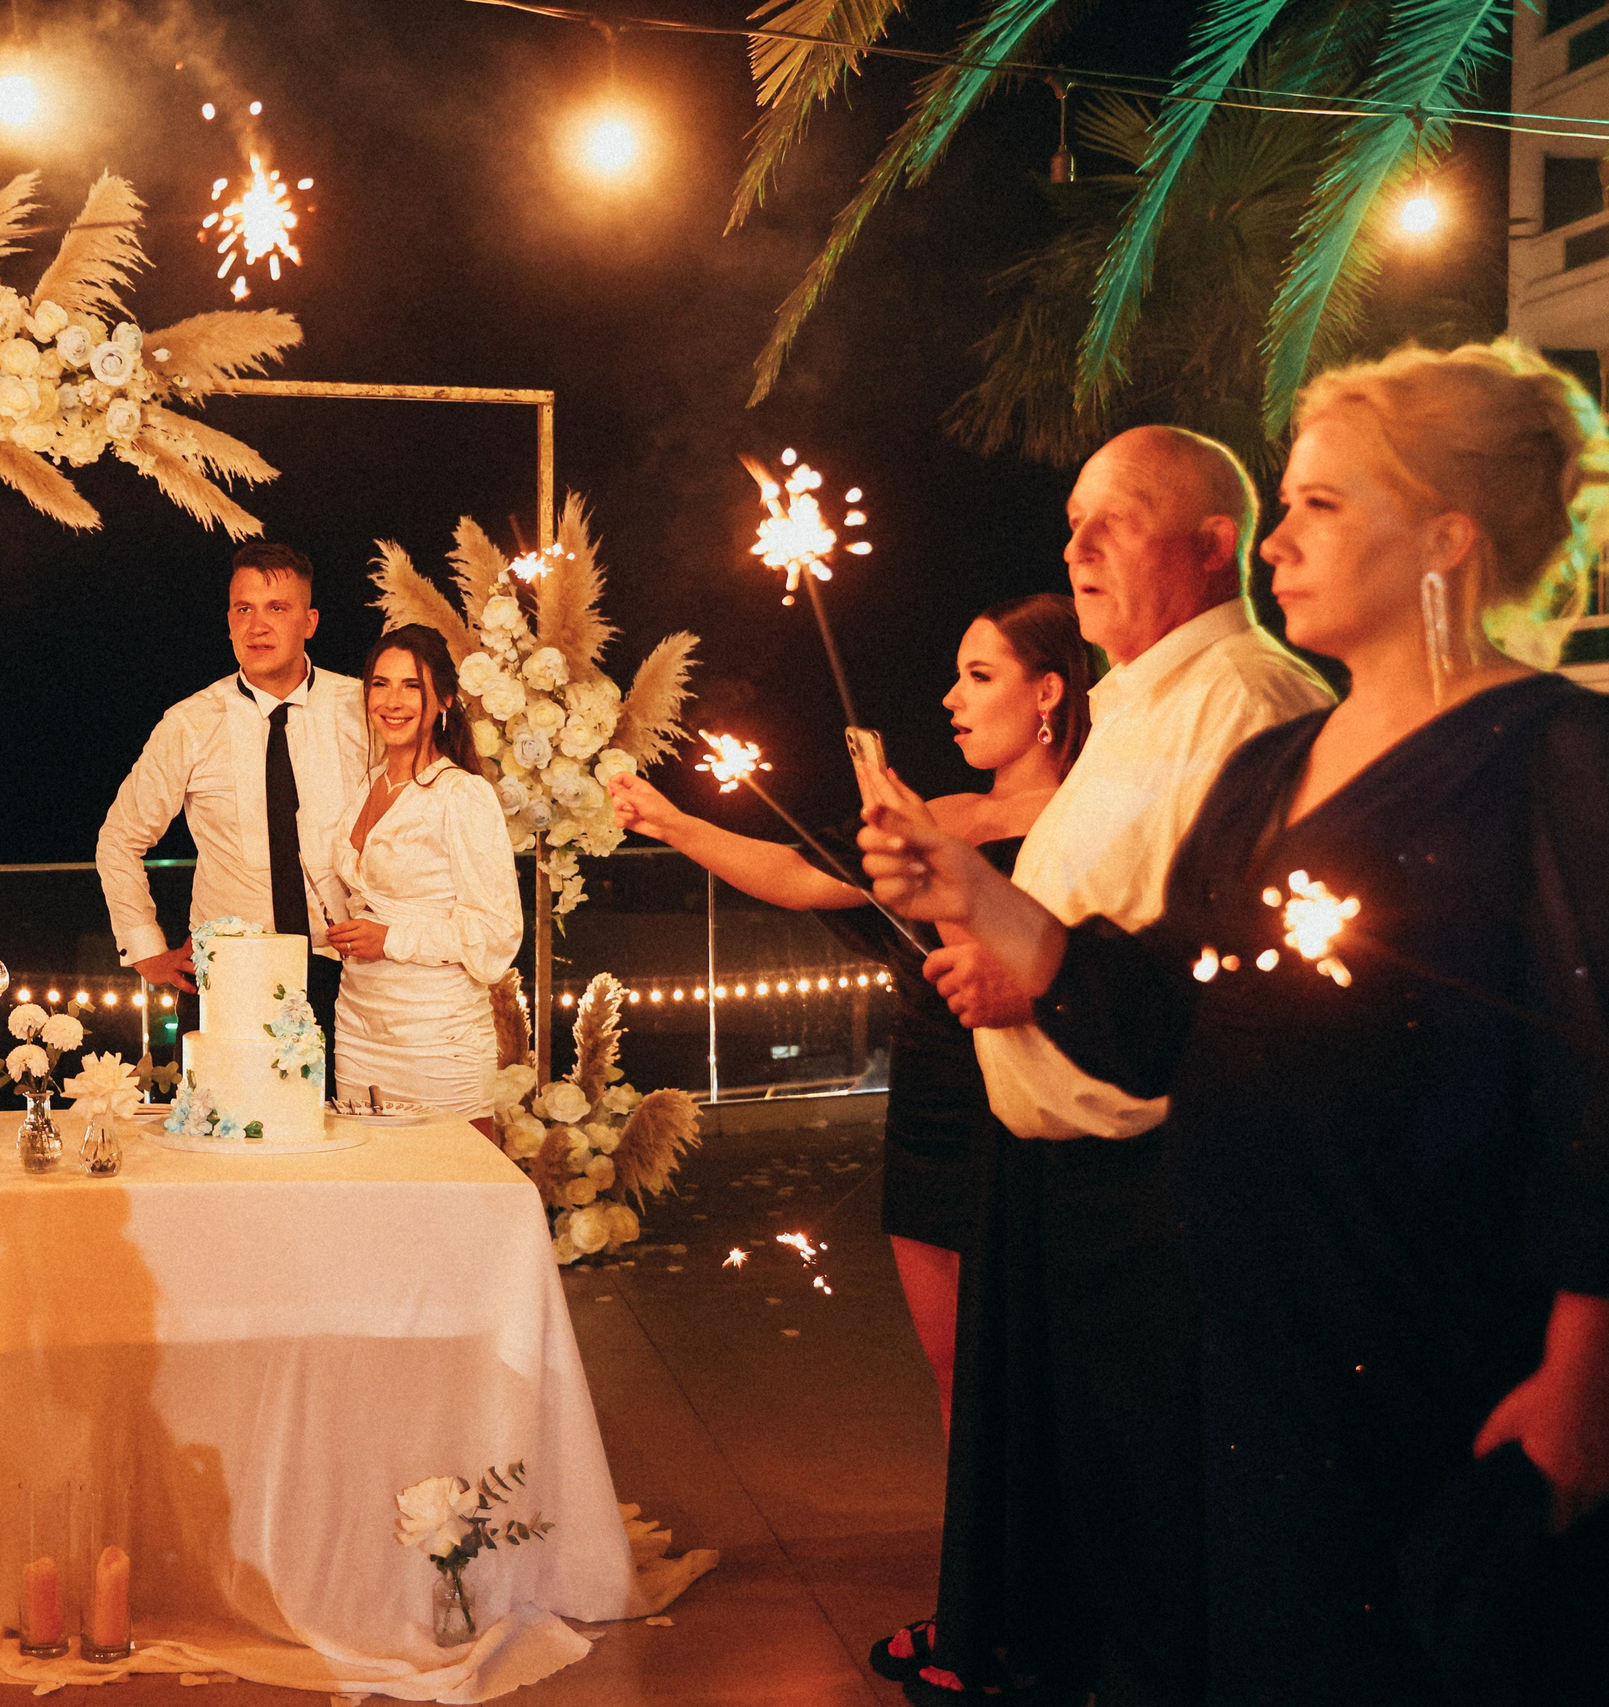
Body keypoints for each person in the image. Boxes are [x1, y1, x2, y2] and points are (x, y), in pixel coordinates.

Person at [861, 342, 1609, 1707]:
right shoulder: (1274, 768)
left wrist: (1583, 1370)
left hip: (1443, 1344)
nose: (1277, 537)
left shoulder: (1556, 756)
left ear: (1447, 534)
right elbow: (1159, 1008)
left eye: (1323, 503)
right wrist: (971, 887)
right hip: (1260, 1345)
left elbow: (1594, 1086)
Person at [887, 426, 1333, 1707]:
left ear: (1212, 547)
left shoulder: (1242, 704)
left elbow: (1209, 980)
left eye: (1114, 522)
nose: (1075, 548)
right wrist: (997, 969)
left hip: (1161, 1204)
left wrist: (1022, 964)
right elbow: (1094, 931)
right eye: (1072, 520)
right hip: (1058, 1193)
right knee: (1086, 1566)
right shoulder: (1134, 706)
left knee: (1163, 1572)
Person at [612, 595, 1091, 1432]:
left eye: (979, 676)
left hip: (1040, 1115)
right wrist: (675, 823)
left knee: (1051, 1377)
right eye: (954, 678)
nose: (951, 699)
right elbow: (799, 875)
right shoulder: (942, 816)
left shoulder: (1090, 822)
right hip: (932, 1116)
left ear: (1047, 692)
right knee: (955, 1378)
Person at [98, 541, 367, 1064]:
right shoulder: (191, 723)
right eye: (244, 609)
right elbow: (119, 839)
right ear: (229, 622)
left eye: (277, 609)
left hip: (350, 972)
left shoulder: (360, 708)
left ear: (310, 622)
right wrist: (147, 949)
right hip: (230, 975)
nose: (257, 626)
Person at [324, 624, 521, 1126]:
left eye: (412, 686)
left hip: (437, 1037)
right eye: (381, 684)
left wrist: (390, 939)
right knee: (368, 1192)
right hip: (358, 1027)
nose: (393, 700)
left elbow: (496, 934)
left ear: (445, 700)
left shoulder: (462, 795)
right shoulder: (369, 784)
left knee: (451, 1192)